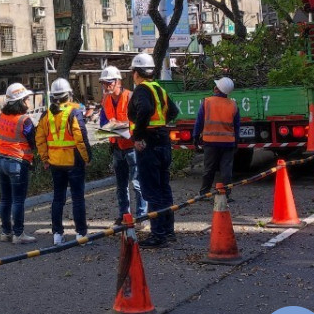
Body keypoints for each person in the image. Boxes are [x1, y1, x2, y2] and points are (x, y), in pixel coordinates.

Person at [127, 53, 180, 248]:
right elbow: (173, 111)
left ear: (136, 73)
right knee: (164, 187)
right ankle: (168, 231)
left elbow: (145, 109)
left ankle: (158, 235)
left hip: (149, 143)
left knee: (151, 190)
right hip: (163, 140)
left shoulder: (141, 90)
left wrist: (138, 135)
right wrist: (159, 125)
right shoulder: (159, 89)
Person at [35, 78, 92, 246]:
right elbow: (81, 138)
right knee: (78, 199)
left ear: (53, 96)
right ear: (69, 95)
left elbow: (40, 139)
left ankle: (57, 235)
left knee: (58, 199)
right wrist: (87, 158)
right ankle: (81, 234)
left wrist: (45, 159)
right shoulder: (74, 113)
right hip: (73, 162)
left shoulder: (46, 115)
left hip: (55, 163)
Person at [98, 65, 145, 225]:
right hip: (117, 146)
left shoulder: (131, 97)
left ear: (118, 81)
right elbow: (103, 123)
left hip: (132, 146)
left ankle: (141, 216)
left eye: (109, 82)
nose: (106, 86)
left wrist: (118, 126)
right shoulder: (106, 100)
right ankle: (124, 215)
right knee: (121, 185)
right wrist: (110, 127)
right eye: (104, 83)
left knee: (137, 184)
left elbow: (138, 122)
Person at [0, 83, 37, 244]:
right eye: (27, 99)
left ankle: (6, 233)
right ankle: (19, 234)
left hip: (0, 161)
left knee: (5, 199)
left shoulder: (1, 117)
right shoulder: (25, 120)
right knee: (18, 200)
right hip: (16, 163)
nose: (28, 101)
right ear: (21, 101)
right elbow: (33, 141)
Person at [193, 77, 241, 197]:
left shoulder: (207, 102)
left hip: (210, 142)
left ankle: (204, 193)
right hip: (228, 143)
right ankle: (226, 194)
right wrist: (236, 142)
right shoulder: (233, 105)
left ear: (216, 89)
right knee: (226, 169)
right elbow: (236, 126)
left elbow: (199, 122)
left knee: (209, 169)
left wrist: (195, 136)